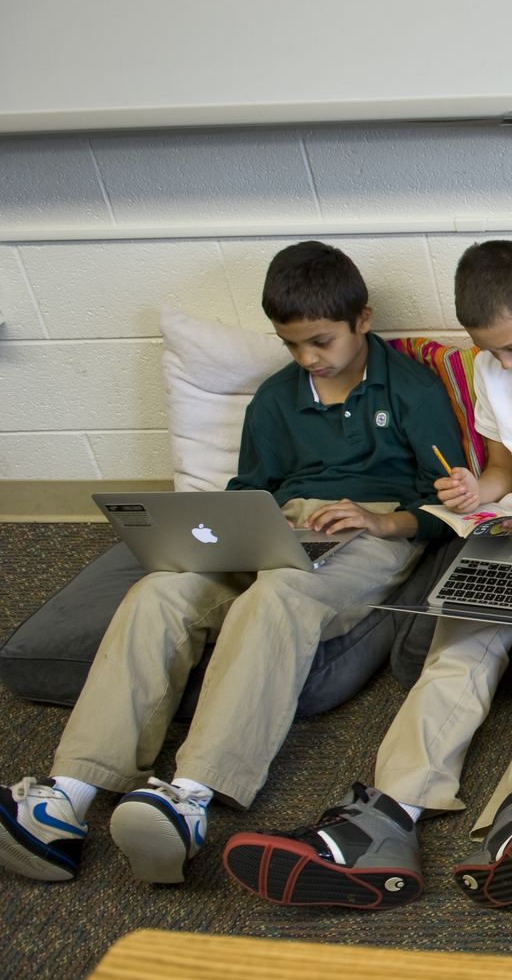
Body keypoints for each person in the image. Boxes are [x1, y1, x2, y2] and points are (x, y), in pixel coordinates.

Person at [224, 240, 512, 911]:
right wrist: (478, 493)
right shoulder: (488, 365)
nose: (503, 363)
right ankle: (385, 819)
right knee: (456, 654)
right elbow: (501, 467)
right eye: (490, 351)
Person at [0, 241, 460, 887]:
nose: (308, 358)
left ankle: (189, 797)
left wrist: (380, 520)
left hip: (374, 531)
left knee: (277, 595)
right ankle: (64, 799)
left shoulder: (411, 387)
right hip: (281, 524)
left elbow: (448, 502)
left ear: (363, 318)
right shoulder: (275, 398)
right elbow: (253, 486)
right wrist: (236, 529)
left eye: (321, 341)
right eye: (292, 344)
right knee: (160, 591)